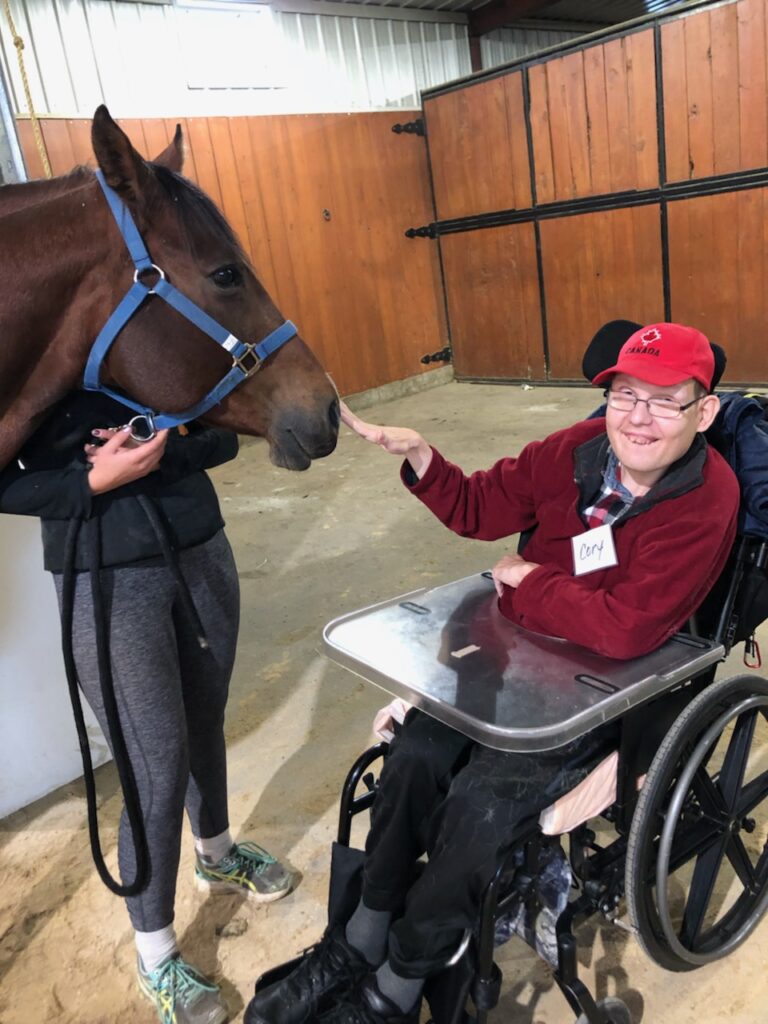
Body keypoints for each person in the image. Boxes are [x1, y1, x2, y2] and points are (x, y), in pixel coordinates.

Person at [245, 323, 740, 1024]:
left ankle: (398, 982)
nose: (638, 417)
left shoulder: (707, 497)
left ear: (705, 411)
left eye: (665, 401)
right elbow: (481, 505)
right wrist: (422, 457)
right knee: (413, 758)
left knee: (481, 804)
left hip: (606, 696)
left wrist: (528, 583)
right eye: (626, 395)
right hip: (517, 659)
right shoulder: (573, 451)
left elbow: (628, 627)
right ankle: (357, 940)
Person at [0, 389, 294, 1024]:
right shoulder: (30, 346)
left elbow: (224, 433)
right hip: (103, 574)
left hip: (200, 547)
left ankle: (217, 856)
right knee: (153, 762)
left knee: (205, 717)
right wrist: (93, 481)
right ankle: (155, 951)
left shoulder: (156, 332)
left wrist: (169, 451)